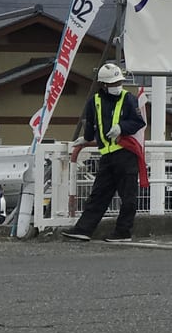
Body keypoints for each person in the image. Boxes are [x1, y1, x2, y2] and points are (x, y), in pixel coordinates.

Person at [63, 62, 147, 243]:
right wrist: (86, 138)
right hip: (107, 155)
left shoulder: (128, 98)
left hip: (126, 153)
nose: (117, 86)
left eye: (119, 82)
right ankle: (83, 230)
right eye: (114, 83)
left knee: (128, 197)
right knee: (98, 194)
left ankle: (123, 232)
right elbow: (91, 123)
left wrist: (121, 127)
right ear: (104, 84)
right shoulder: (94, 102)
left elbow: (139, 122)